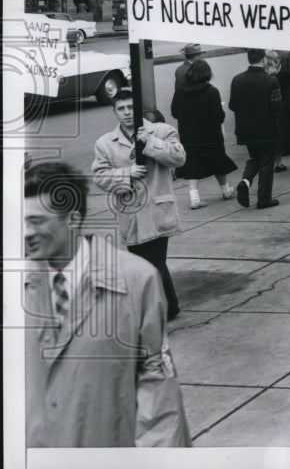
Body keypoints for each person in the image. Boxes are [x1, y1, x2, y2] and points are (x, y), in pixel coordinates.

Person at [24, 161, 191, 447]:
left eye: (37, 221)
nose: (26, 232)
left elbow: (157, 388)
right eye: (21, 221)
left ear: (73, 219)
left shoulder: (137, 280)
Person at [92, 90, 185, 321]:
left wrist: (151, 142)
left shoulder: (162, 130)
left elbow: (179, 158)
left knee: (154, 261)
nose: (126, 113)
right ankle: (169, 306)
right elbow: (100, 176)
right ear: (114, 112)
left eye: (131, 108)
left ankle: (159, 310)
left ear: (139, 109)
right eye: (121, 109)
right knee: (144, 262)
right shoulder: (105, 143)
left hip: (157, 207)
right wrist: (127, 174)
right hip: (130, 212)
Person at [170, 59, 237, 209]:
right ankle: (226, 190)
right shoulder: (211, 91)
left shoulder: (180, 90)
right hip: (210, 135)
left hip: (189, 134)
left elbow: (174, 112)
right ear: (207, 73)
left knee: (192, 164)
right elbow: (218, 116)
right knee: (218, 161)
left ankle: (194, 198)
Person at [229, 48, 283, 210]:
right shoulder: (271, 81)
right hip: (266, 129)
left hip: (245, 129)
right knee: (267, 161)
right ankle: (264, 199)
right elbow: (277, 108)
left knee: (255, 158)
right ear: (264, 60)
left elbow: (232, 105)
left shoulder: (237, 80)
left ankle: (245, 182)